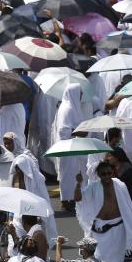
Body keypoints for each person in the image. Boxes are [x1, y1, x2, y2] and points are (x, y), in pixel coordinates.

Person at [52, 83, 87, 211]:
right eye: (80, 92)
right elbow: (63, 131)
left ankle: (71, 198)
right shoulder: (67, 109)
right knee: (68, 175)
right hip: (67, 148)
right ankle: (67, 200)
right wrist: (79, 131)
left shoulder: (70, 107)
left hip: (72, 147)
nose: (81, 95)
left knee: (71, 174)